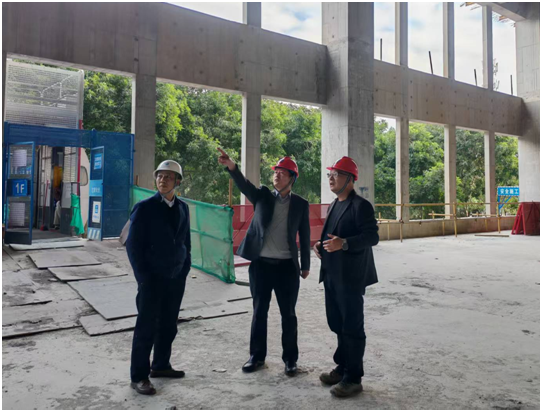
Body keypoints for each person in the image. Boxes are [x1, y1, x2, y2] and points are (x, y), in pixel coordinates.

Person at [217, 148, 310, 377]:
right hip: (261, 266)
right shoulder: (262, 195)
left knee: (289, 315)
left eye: (282, 172)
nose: (277, 175)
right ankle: (256, 357)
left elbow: (305, 234)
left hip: (287, 267)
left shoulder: (300, 204)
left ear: (292, 178)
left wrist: (306, 265)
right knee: (259, 312)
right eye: (276, 171)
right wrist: (232, 167)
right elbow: (244, 185)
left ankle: (290, 360)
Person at [313, 156, 379, 398]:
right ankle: (342, 367)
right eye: (329, 175)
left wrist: (344, 244)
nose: (331, 179)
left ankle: (353, 378)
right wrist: (320, 245)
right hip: (332, 275)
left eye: (336, 175)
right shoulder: (334, 204)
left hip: (350, 278)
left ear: (350, 179)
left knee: (352, 327)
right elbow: (333, 236)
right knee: (338, 324)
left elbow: (372, 237)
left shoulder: (361, 206)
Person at [126, 160, 191, 396]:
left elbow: (185, 241)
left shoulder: (183, 208)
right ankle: (139, 376)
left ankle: (161, 365)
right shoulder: (144, 208)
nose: (163, 180)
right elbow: (133, 246)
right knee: (146, 327)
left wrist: (185, 268)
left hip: (175, 277)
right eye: (160, 176)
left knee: (168, 325)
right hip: (152, 279)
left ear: (177, 182)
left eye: (168, 177)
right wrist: (143, 278)